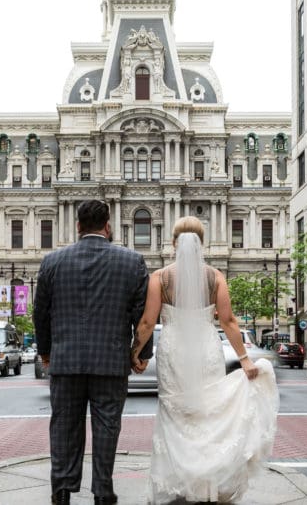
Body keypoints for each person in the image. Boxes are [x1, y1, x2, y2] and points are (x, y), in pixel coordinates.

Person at [130, 216, 278, 504]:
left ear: (174, 243)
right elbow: (229, 321)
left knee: (176, 415)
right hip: (207, 347)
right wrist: (245, 360)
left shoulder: (160, 278)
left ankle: (178, 484)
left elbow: (147, 322)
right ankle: (207, 487)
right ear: (202, 244)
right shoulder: (215, 276)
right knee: (207, 415)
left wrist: (134, 353)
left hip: (174, 350)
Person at [33, 199, 152, 505]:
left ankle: (61, 491)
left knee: (63, 428)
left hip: (65, 360)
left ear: (77, 226)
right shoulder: (132, 262)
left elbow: (40, 314)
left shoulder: (52, 262)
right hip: (110, 362)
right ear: (108, 226)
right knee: (107, 428)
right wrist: (140, 352)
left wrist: (45, 351)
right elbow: (143, 315)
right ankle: (102, 492)